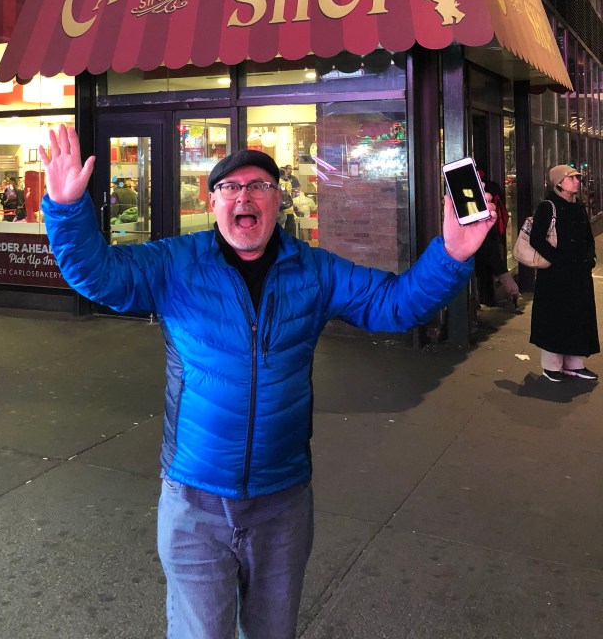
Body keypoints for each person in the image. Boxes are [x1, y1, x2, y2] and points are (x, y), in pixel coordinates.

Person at [39, 126, 494, 639]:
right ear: (212, 202)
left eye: (259, 186)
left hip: (282, 502)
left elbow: (394, 305)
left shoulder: (314, 270)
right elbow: (99, 276)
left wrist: (453, 254)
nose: (244, 197)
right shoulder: (174, 265)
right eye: (230, 188)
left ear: (278, 200)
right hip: (194, 500)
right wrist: (67, 208)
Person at [529, 164, 599, 383]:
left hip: (579, 273)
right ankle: (551, 366)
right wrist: (559, 260)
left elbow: (587, 235)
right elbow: (536, 239)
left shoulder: (578, 205)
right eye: (571, 178)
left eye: (577, 178)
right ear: (559, 183)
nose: (577, 181)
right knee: (555, 318)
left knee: (578, 316)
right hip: (555, 276)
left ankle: (575, 364)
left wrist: (590, 257)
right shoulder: (547, 207)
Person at [473, 169, 520, 310]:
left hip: (479, 233)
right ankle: (512, 291)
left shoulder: (473, 188)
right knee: (496, 265)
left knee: (479, 267)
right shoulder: (494, 186)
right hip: (492, 232)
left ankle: (476, 299)